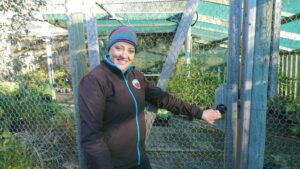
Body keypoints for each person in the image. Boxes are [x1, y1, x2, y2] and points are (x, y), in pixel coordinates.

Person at [78, 26, 222, 169]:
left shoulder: (136, 77)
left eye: (130, 50)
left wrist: (200, 113)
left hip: (140, 160)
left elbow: (164, 99)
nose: (124, 55)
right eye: (118, 48)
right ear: (109, 49)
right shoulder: (95, 80)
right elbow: (91, 137)